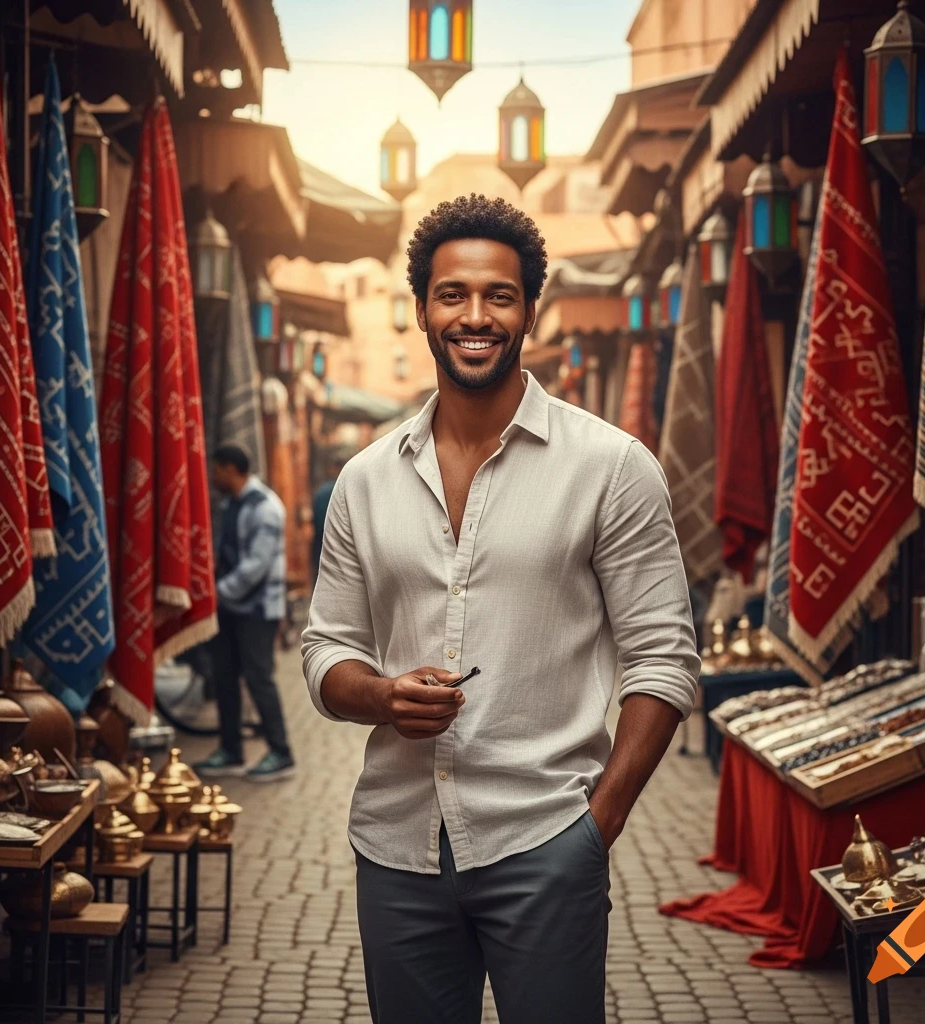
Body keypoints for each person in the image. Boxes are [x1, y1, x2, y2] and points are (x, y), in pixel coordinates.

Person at [301, 194, 699, 1024]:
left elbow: (664, 660)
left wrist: (597, 826)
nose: (475, 316)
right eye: (452, 294)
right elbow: (325, 649)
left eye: (499, 296)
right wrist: (381, 696)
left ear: (530, 310)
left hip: (546, 841)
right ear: (421, 309)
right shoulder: (364, 481)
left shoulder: (612, 467)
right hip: (396, 851)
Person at [196, 444, 295, 782]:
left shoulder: (265, 507)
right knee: (224, 677)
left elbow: (257, 565)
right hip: (230, 608)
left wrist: (217, 593)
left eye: (216, 470)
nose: (213, 477)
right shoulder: (232, 504)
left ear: (229, 469)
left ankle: (281, 752)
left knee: (258, 678)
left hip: (258, 610)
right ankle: (231, 750)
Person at [311, 448, 351, 581]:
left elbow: (319, 524)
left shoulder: (323, 492)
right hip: (349, 553)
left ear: (333, 468)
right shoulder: (353, 488)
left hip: (325, 550)